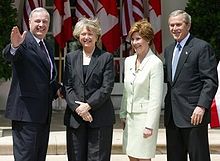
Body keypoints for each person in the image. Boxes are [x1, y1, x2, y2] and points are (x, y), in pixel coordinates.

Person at [2, 7, 62, 161]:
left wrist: (62, 90)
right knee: (26, 158)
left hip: (43, 114)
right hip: (26, 115)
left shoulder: (47, 45)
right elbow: (9, 54)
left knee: (39, 157)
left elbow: (46, 79)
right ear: (29, 22)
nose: (41, 24)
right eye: (37, 21)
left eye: (45, 21)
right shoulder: (23, 41)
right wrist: (14, 46)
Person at [164, 10, 218, 161]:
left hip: (194, 115)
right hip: (172, 116)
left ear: (188, 25)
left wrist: (202, 106)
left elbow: (210, 81)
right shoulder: (169, 50)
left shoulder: (201, 47)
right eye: (171, 25)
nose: (174, 28)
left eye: (178, 24)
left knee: (198, 157)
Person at [63, 17, 115, 161]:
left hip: (100, 118)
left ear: (97, 36)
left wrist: (88, 105)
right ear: (78, 36)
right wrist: (79, 109)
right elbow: (67, 86)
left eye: (90, 34)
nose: (87, 37)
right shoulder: (70, 58)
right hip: (76, 119)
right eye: (83, 34)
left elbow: (106, 87)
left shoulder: (106, 57)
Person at [120, 19, 164, 161]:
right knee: (131, 156)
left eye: (138, 38)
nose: (134, 43)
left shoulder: (155, 63)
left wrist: (150, 125)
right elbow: (126, 91)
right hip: (130, 119)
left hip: (145, 120)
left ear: (148, 39)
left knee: (144, 158)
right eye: (132, 39)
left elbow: (156, 98)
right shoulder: (128, 61)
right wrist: (123, 114)